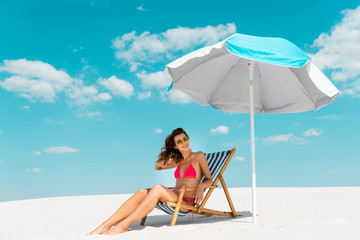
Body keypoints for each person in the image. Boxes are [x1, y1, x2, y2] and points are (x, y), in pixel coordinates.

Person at [87, 128, 213, 235]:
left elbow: (210, 180)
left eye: (185, 139)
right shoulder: (178, 161)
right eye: (179, 141)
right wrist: (164, 160)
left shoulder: (198, 156)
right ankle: (104, 225)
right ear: (175, 146)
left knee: (157, 188)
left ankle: (123, 225)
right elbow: (157, 167)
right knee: (142, 191)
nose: (184, 143)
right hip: (174, 195)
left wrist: (201, 186)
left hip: (185, 202)